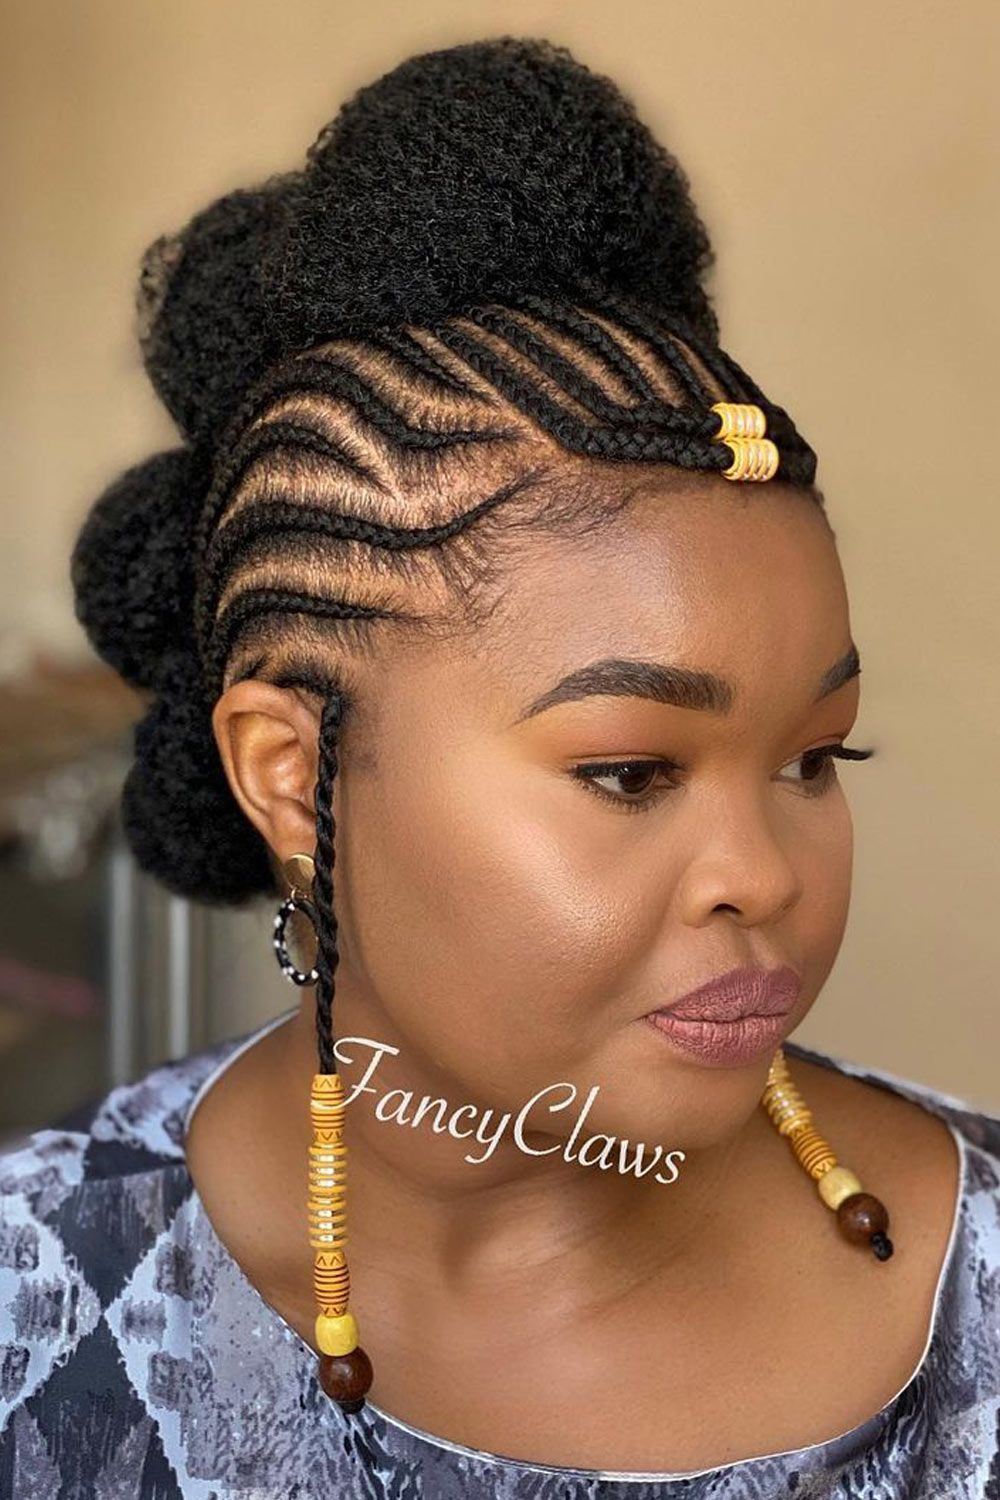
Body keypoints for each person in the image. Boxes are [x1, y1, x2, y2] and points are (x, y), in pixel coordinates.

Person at [1, 34, 998, 1499]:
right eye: (631, 771)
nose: (765, 876)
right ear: (289, 773)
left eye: (813, 756)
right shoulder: (40, 1313)